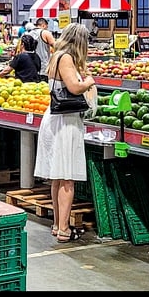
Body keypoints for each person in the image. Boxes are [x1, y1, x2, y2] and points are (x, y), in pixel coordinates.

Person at [34, 23, 96, 243]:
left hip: (53, 117)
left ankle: (56, 225)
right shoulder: (67, 57)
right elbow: (74, 88)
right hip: (65, 122)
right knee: (67, 179)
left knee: (57, 177)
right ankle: (64, 229)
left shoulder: (56, 56)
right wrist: (89, 81)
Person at [28, 18, 56, 82]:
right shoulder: (45, 33)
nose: (47, 28)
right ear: (43, 25)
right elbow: (55, 46)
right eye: (46, 27)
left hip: (31, 67)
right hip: (43, 67)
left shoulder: (28, 34)